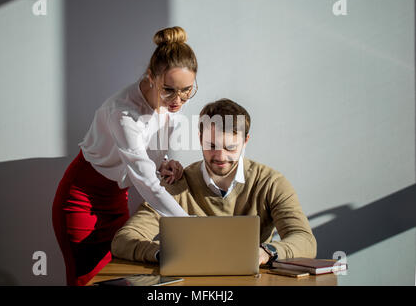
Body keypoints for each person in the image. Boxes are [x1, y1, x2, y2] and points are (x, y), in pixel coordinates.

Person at [52, 26, 198, 286]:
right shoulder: (122, 112)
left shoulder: (171, 106)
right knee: (86, 281)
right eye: (169, 90)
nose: (178, 100)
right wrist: (189, 226)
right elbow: (145, 181)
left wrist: (163, 164)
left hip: (117, 199)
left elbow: (144, 159)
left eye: (187, 90)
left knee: (121, 280)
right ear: (151, 77)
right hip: (82, 201)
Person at [111, 98, 317, 266]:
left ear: (245, 141)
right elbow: (124, 240)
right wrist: (163, 254)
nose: (220, 156)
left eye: (230, 148)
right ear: (200, 139)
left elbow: (305, 240)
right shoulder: (177, 184)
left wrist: (266, 251)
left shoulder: (271, 183)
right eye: (211, 145)